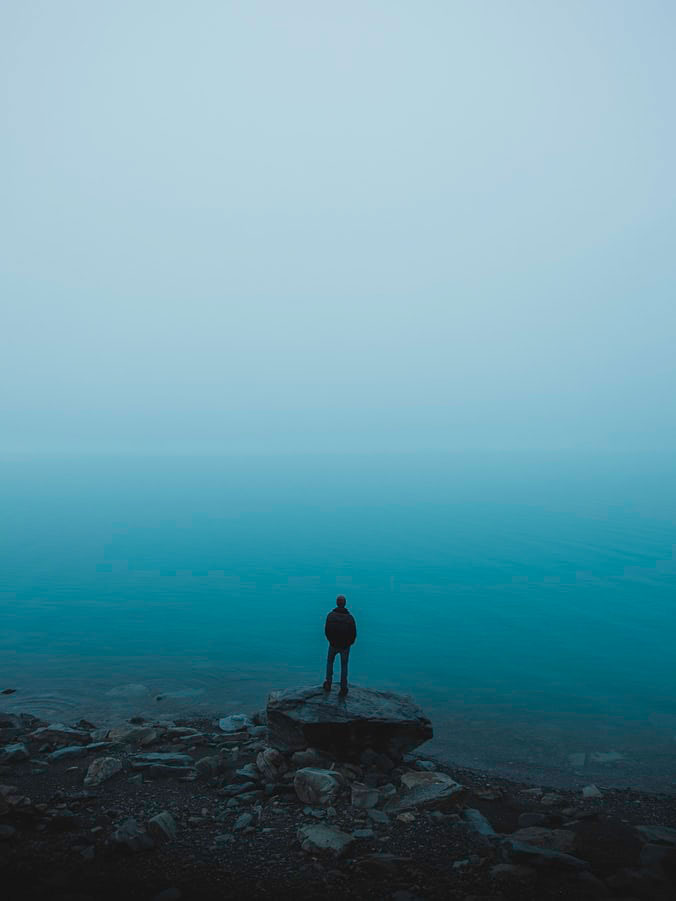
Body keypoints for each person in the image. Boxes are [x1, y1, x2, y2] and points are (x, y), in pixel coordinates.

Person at [323, 594, 357, 697]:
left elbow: (327, 631)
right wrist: (348, 643)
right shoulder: (350, 618)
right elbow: (353, 634)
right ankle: (343, 688)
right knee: (344, 666)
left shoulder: (330, 616)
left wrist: (331, 641)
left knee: (330, 662)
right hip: (345, 646)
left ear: (337, 603)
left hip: (333, 644)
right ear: (345, 604)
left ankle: (328, 683)